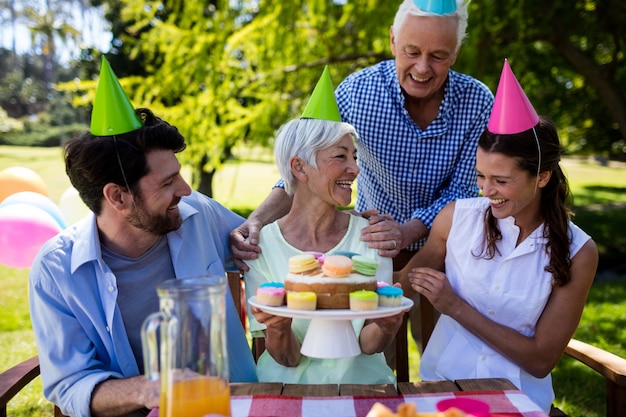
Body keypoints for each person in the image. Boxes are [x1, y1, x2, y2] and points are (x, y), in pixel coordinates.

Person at [230, 0, 494, 352]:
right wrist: (258, 221)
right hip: (368, 248)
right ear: (392, 42)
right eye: (411, 51)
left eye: (439, 56)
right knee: (370, 348)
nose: (422, 67)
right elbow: (307, 163)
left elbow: (466, 189)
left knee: (443, 353)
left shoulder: (477, 101)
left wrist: (407, 231)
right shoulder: (358, 92)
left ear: (456, 52)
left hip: (448, 252)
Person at [28, 57, 257, 417]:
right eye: (168, 182)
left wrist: (354, 223)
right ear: (117, 197)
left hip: (232, 405)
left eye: (178, 175)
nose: (186, 189)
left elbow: (263, 234)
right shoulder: (56, 270)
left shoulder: (197, 214)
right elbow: (69, 384)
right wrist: (150, 389)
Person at [396, 60, 598, 412]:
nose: (487, 191)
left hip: (521, 403)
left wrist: (455, 306)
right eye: (480, 176)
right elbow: (400, 285)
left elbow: (540, 360)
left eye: (501, 181)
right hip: (445, 395)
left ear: (543, 176)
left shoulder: (579, 251)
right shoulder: (455, 219)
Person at [244, 67, 406, 384]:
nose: (355, 168)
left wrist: (386, 325)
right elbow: (286, 358)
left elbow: (369, 346)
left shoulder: (372, 237)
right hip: (286, 393)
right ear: (300, 167)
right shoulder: (261, 246)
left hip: (365, 390)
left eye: (355, 156)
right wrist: (278, 328)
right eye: (340, 156)